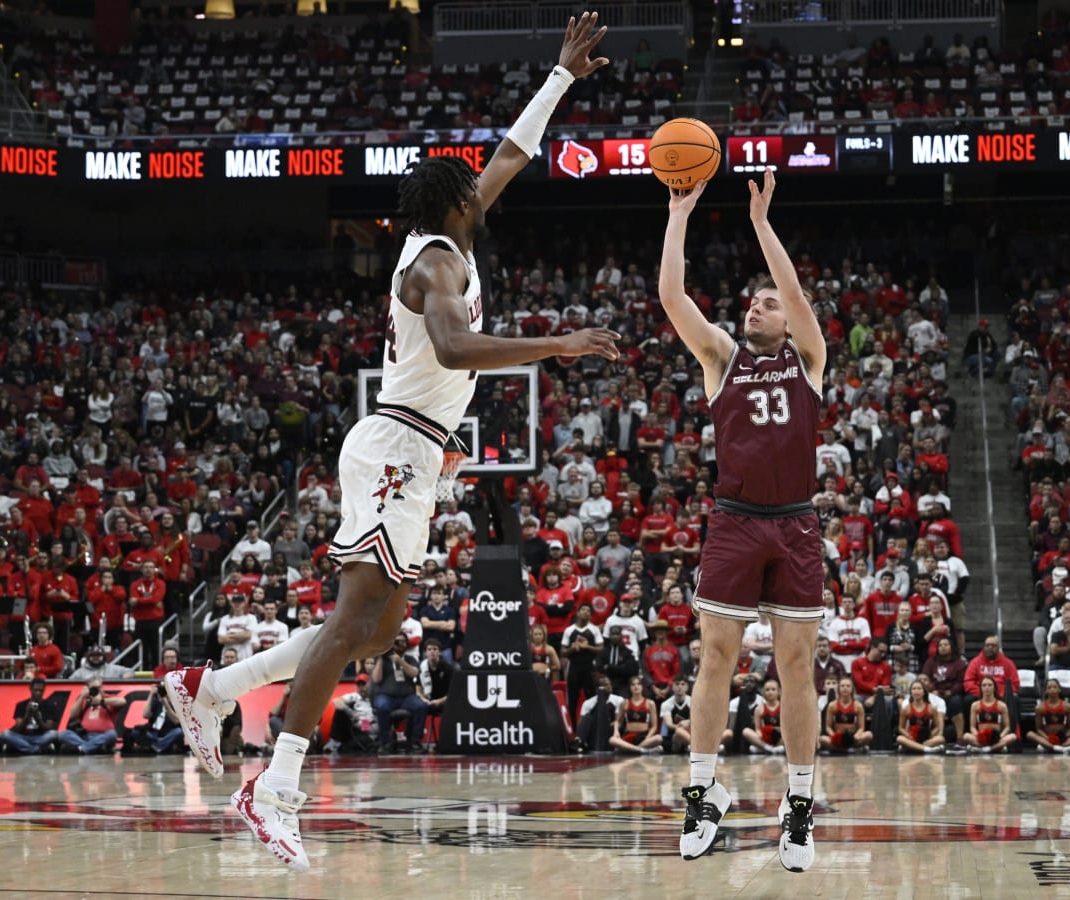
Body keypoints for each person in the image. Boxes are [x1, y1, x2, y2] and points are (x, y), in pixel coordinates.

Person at [163, 14, 617, 871]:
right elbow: (453, 348)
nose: (484, 194)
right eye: (469, 191)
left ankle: (212, 687)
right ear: (451, 205)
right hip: (396, 445)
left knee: (377, 631)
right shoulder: (435, 266)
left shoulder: (453, 235)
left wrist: (559, 78)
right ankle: (275, 786)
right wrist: (552, 344)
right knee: (350, 621)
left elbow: (512, 154)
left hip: (415, 450)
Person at [660, 169, 826, 868]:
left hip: (794, 524)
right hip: (733, 521)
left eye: (767, 304)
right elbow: (672, 296)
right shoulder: (721, 358)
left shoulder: (810, 359)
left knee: (796, 669)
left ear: (788, 319)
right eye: (750, 302)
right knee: (716, 660)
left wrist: (761, 225)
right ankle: (703, 793)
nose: (755, 308)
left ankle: (798, 810)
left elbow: (792, 293)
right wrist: (679, 214)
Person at [58, 675, 124, 754]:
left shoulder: (108, 698)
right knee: (63, 734)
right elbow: (72, 715)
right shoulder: (84, 700)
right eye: (93, 688)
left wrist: (102, 701)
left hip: (103, 735)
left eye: (98, 687)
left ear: (102, 687)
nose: (96, 690)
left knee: (112, 734)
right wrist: (82, 697)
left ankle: (83, 748)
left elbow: (122, 701)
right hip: (85, 736)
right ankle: (92, 748)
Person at [0, 676, 59, 754]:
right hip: (23, 737)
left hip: (40, 737)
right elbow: (18, 728)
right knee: (4, 734)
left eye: (41, 691)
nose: (38, 693)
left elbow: (49, 729)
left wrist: (38, 718)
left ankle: (26, 748)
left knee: (53, 734)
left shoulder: (50, 706)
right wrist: (27, 714)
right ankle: (34, 749)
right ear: (30, 689)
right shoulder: (21, 705)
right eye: (36, 690)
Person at [1026, 677, 1070, 754]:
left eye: (1055, 687)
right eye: (1049, 688)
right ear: (1046, 691)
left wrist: (1064, 737)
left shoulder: (1067, 706)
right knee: (1029, 734)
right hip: (1047, 738)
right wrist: (1048, 738)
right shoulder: (1040, 708)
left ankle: (1049, 747)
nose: (1052, 689)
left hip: (1063, 738)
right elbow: (1039, 729)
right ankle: (1061, 748)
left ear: (1059, 689)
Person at [960, 675, 1017, 753]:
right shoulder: (975, 705)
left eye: (990, 685)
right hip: (981, 738)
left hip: (997, 737)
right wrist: (978, 736)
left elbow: (1007, 727)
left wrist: (1000, 736)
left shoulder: (1002, 705)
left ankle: (986, 749)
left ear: (994, 687)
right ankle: (995, 748)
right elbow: (972, 727)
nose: (987, 687)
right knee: (966, 736)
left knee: (1013, 736)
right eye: (984, 685)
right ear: (981, 688)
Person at [124, 682, 184, 755]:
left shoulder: (177, 703)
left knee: (178, 732)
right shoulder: (156, 701)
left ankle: (156, 747)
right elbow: (145, 715)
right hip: (153, 734)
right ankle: (158, 746)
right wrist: (151, 694)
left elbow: (176, 721)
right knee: (135, 732)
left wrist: (166, 703)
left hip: (168, 734)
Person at [610, 676, 663, 753]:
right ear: (630, 688)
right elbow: (617, 721)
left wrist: (648, 736)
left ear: (642, 687)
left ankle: (630, 749)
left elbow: (654, 725)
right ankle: (641, 750)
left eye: (638, 684)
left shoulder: (650, 703)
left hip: (644, 736)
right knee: (612, 740)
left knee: (659, 738)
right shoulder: (624, 703)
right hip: (628, 736)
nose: (636, 686)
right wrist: (616, 731)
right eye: (633, 685)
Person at [820, 676, 871, 752]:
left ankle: (845, 749)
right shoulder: (832, 705)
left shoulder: (858, 706)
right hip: (837, 738)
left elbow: (861, 728)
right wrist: (834, 736)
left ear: (852, 689)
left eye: (848, 686)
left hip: (853, 738)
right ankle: (847, 749)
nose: (845, 688)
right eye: (842, 686)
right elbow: (828, 727)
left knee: (868, 735)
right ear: (839, 689)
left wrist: (855, 737)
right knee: (822, 739)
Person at [894, 680, 945, 754]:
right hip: (912, 738)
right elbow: (901, 728)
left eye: (919, 688)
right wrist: (907, 735)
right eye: (914, 689)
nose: (916, 691)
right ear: (911, 692)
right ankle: (927, 749)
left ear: (924, 692)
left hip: (926, 739)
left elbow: (937, 726)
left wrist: (931, 735)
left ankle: (916, 747)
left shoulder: (931, 708)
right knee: (899, 738)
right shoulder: (906, 708)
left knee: (941, 739)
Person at [742, 678, 787, 754]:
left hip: (780, 737)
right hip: (765, 738)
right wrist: (759, 733)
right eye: (767, 690)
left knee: (789, 734)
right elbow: (758, 728)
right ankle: (768, 748)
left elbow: (787, 727)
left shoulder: (784, 707)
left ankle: (775, 748)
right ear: (763, 692)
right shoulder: (759, 709)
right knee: (746, 731)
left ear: (779, 691)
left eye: (773, 689)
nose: (770, 692)